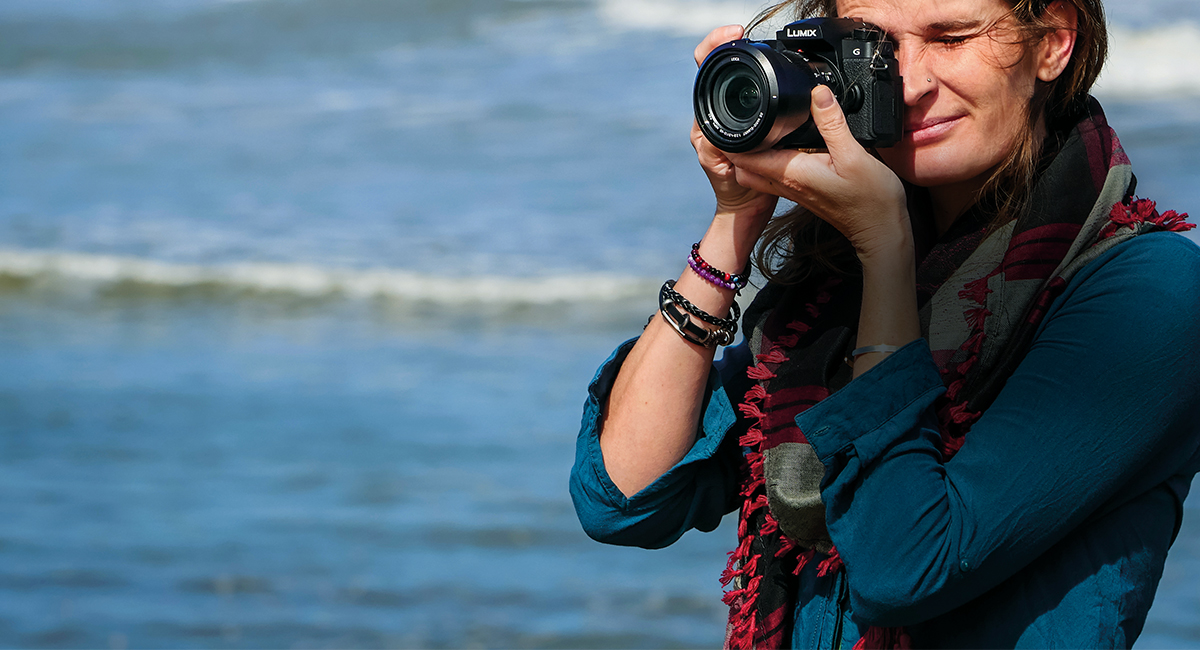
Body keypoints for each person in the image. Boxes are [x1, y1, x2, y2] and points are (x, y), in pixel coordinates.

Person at [569, 0, 1200, 647]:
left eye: (952, 37)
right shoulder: (834, 286)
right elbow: (625, 496)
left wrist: (886, 251)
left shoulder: (1150, 293)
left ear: (1054, 42)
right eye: (876, 44)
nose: (916, 83)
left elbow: (905, 565)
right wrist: (738, 216)